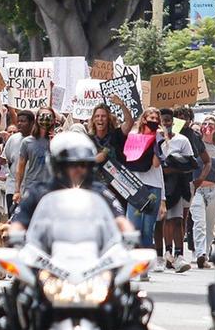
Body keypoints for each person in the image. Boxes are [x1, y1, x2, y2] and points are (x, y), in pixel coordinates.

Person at [10, 131, 131, 233]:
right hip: (47, 255)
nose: (79, 169)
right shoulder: (38, 192)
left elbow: (120, 219)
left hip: (91, 254)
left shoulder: (99, 191)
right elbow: (18, 221)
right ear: (57, 165)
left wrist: (130, 236)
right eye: (72, 164)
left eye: (84, 164)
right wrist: (15, 236)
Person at [158, 109, 199, 273]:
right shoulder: (155, 140)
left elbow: (191, 164)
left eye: (168, 120)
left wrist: (174, 167)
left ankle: (179, 254)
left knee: (177, 219)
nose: (166, 124)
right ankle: (167, 253)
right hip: (160, 185)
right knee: (164, 220)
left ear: (173, 122)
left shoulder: (183, 140)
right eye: (163, 121)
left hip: (178, 185)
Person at [123, 108, 164, 271]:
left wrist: (157, 141)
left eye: (156, 117)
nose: (153, 120)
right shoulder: (134, 136)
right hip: (136, 186)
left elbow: (156, 164)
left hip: (153, 187)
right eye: (150, 117)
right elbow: (130, 161)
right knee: (135, 226)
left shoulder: (160, 139)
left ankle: (145, 265)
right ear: (144, 119)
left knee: (148, 228)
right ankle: (133, 262)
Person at [191, 116, 215, 268]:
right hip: (197, 189)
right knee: (199, 223)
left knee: (211, 226)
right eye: (204, 123)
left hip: (214, 189)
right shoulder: (195, 145)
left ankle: (206, 252)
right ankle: (200, 254)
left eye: (211, 124)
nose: (207, 126)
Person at [13, 107, 56, 205]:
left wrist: (55, 143)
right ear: (37, 119)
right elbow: (20, 168)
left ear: (53, 120)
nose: (45, 119)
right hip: (32, 188)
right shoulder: (27, 142)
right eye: (42, 116)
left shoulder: (59, 141)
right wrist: (17, 190)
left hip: (52, 189)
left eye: (49, 117)